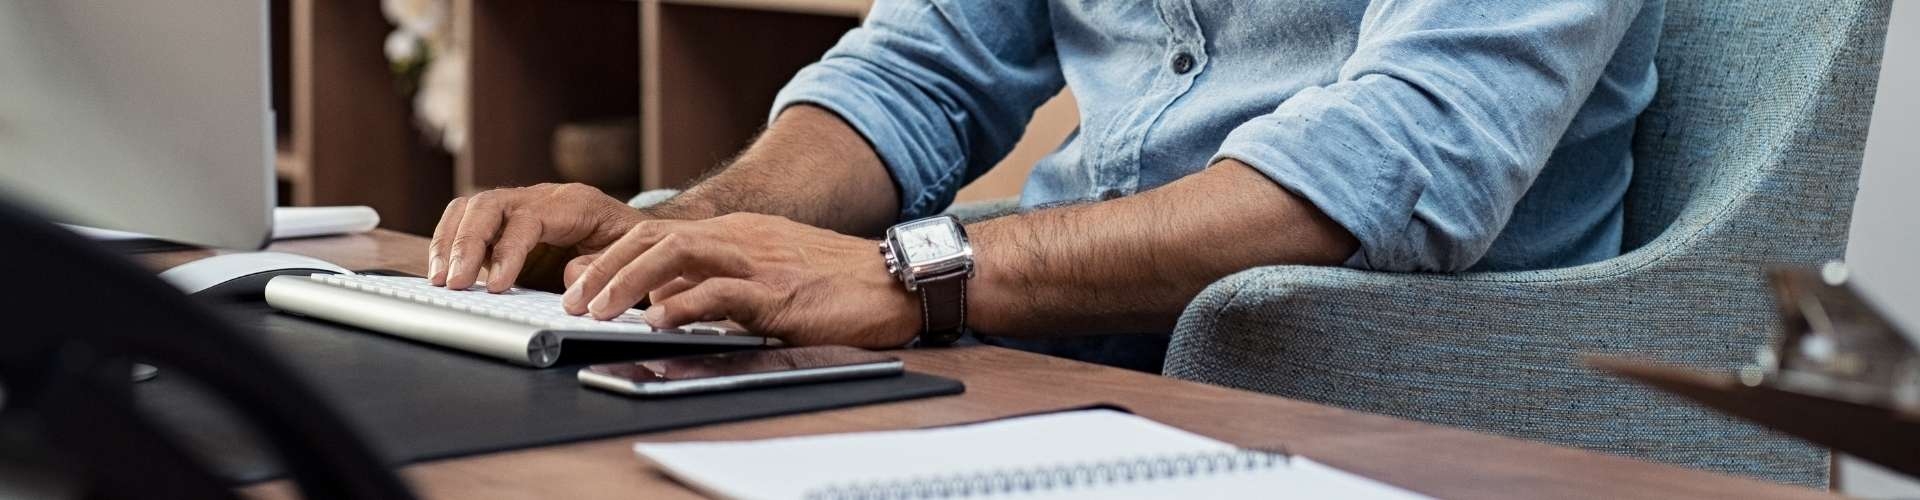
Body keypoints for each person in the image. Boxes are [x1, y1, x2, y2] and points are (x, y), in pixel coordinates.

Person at [427, 0, 1663, 372]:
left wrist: (919, 277)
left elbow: (1395, 160)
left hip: (1380, 380)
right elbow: (923, 70)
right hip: (1055, 343)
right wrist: (683, 233)